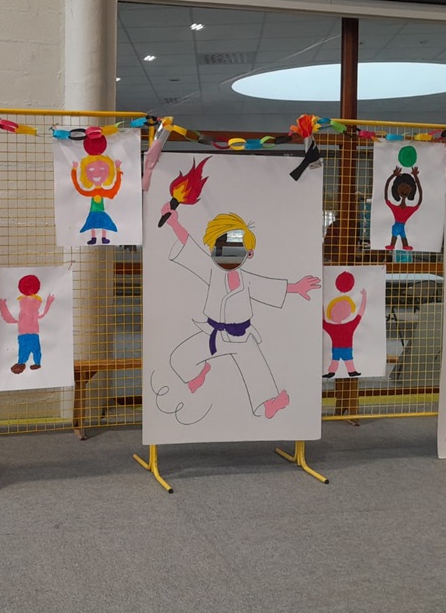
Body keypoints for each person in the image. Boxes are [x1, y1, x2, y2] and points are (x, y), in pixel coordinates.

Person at [160, 202, 320, 419]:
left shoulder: (248, 280)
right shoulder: (212, 271)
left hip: (242, 337)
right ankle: (197, 375)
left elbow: (267, 287)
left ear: (249, 253)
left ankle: (269, 404)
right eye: (219, 248)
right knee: (179, 358)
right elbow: (190, 247)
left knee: (257, 370)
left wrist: (296, 287)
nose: (226, 254)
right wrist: (174, 224)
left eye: (234, 250)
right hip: (213, 334)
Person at [71, 132, 123, 245]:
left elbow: (116, 186)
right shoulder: (93, 192)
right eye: (91, 170)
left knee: (104, 223)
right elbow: (78, 188)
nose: (96, 174)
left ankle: (103, 238)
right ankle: (94, 238)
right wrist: (74, 170)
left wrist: (118, 170)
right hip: (93, 212)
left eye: (102, 170)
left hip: (101, 211)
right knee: (92, 224)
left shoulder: (104, 192)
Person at [0, 274, 55, 374]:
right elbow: (41, 314)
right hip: (27, 332)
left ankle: (29, 363)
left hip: (27, 332)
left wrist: (3, 306)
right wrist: (48, 303)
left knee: (31, 348)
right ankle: (23, 363)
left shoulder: (29, 304)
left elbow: (11, 318)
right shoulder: (25, 304)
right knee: (29, 348)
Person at [322, 288, 366, 378]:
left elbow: (323, 321)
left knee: (336, 360)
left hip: (338, 349)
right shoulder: (349, 326)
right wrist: (364, 297)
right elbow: (360, 313)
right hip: (346, 348)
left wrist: (321, 305)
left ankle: (334, 372)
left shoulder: (332, 327)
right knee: (346, 360)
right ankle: (350, 371)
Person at [384, 166, 422, 251]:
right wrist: (415, 177)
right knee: (398, 235)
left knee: (403, 236)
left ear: (411, 190)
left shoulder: (405, 209)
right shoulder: (400, 209)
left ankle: (401, 245)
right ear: (397, 188)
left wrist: (415, 177)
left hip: (401, 226)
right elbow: (419, 201)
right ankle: (393, 245)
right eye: (402, 187)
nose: (404, 190)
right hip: (398, 225)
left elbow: (419, 201)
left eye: (407, 188)